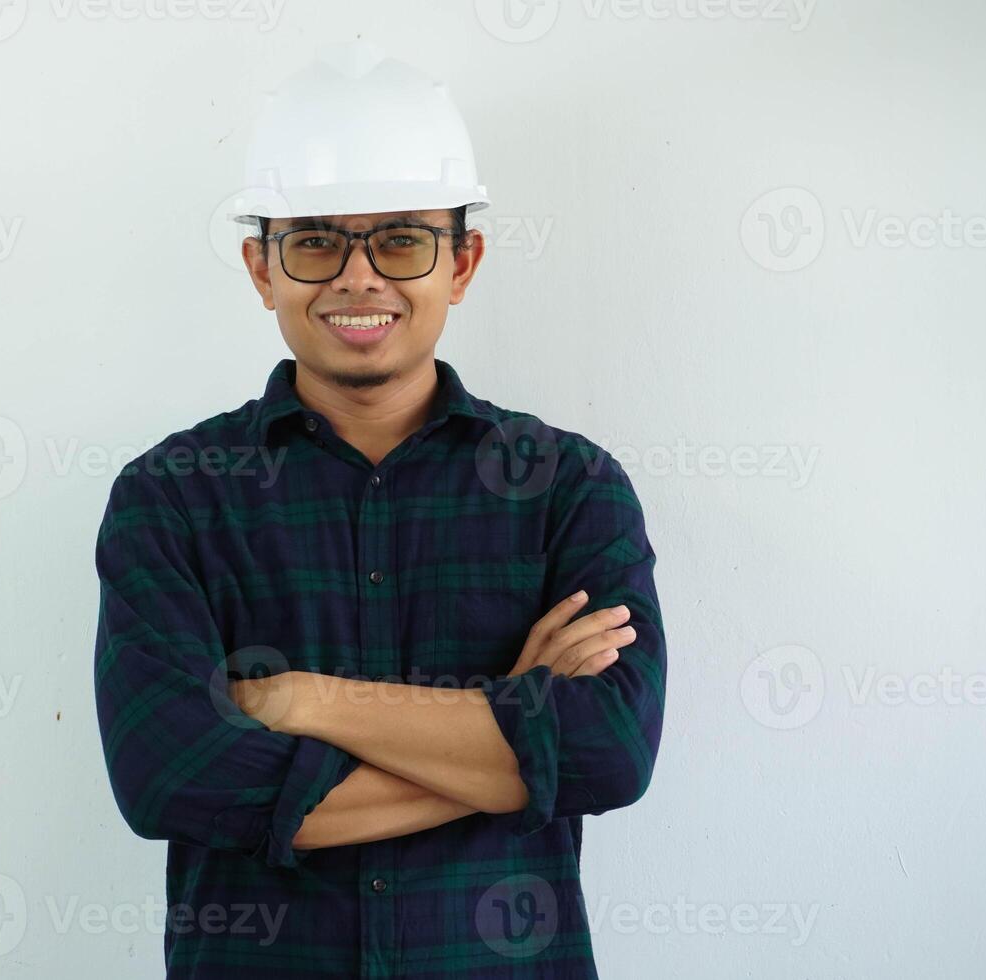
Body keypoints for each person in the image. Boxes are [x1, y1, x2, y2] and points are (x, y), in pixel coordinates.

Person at [93, 39, 667, 979]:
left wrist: (304, 701)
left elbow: (607, 754)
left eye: (401, 238)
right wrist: (511, 722)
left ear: (463, 260)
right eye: (315, 240)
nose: (359, 278)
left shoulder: (568, 487)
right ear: (261, 267)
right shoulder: (173, 496)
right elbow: (172, 781)